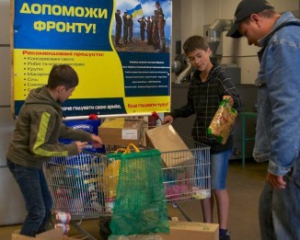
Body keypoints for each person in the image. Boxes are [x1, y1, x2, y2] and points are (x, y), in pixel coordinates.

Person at [226, 0, 300, 239]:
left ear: (256, 18)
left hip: (293, 154)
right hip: (290, 150)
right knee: (267, 210)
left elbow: (288, 107)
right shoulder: (288, 38)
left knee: (287, 227)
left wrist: (280, 162)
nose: (249, 41)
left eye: (247, 32)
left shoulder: (283, 42)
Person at [6, 64, 103, 237]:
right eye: (71, 91)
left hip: (31, 162)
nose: (71, 94)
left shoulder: (46, 99)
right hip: (24, 163)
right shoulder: (45, 110)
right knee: (37, 211)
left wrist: (88, 136)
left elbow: (59, 129)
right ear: (61, 89)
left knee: (46, 204)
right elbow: (38, 148)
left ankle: (42, 236)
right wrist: (70, 149)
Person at [162, 35, 243, 240]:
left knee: (217, 185)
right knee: (202, 188)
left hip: (218, 144)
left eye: (199, 56)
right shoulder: (195, 80)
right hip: (200, 141)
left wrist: (230, 101)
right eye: (191, 58)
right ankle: (207, 228)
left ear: (208, 52)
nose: (196, 61)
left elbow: (238, 103)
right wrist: (174, 114)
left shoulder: (221, 77)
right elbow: (191, 106)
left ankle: (223, 231)